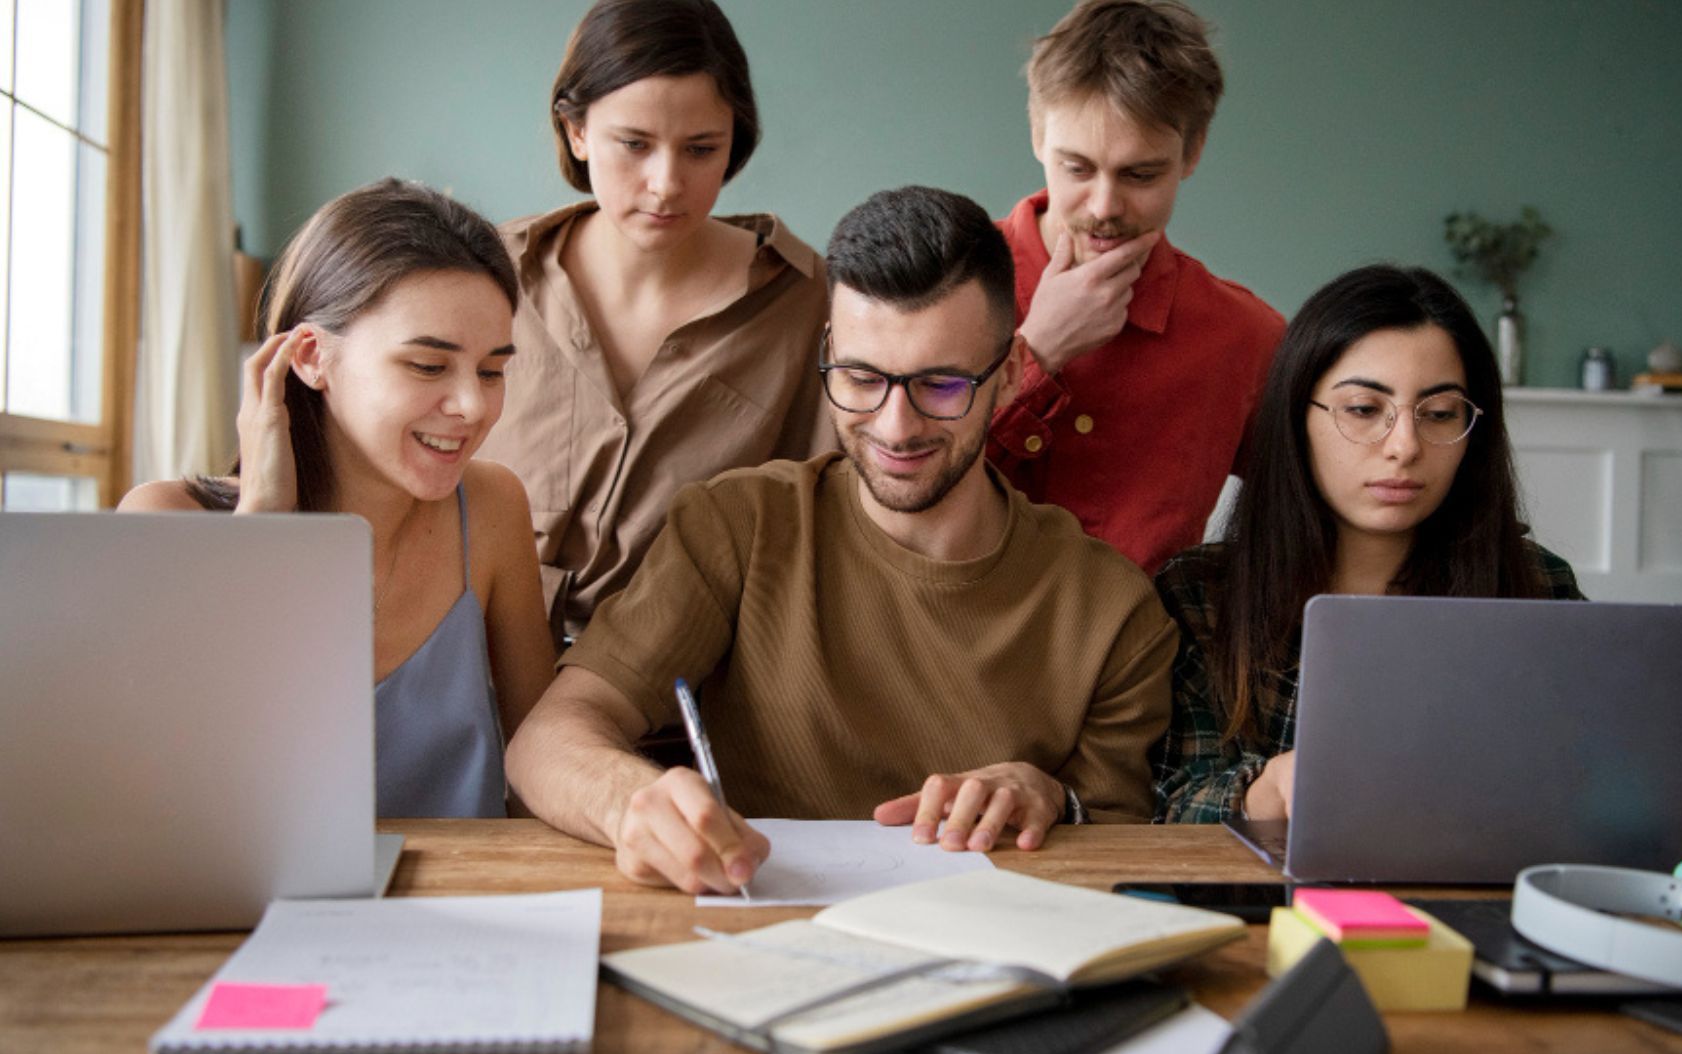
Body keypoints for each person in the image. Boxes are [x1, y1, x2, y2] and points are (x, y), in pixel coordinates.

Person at [504, 186, 1175, 895]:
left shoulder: (1113, 611)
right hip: (755, 932)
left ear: (1008, 373)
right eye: (860, 377)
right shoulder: (738, 525)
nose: (894, 426)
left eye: (941, 385)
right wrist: (630, 803)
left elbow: (1120, 849)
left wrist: (1050, 797)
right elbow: (547, 740)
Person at [119, 179, 557, 818]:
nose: (472, 406)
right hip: (247, 913)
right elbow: (165, 803)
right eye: (428, 367)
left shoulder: (491, 508)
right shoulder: (166, 523)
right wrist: (265, 525)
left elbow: (544, 758)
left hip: (463, 902)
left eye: (492, 371)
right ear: (310, 358)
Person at [1152, 264, 1584, 824]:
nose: (1403, 446)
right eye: (1363, 409)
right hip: (1269, 905)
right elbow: (1164, 809)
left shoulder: (1537, 585)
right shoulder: (1198, 594)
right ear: (1294, 416)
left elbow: (1590, 788)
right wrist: (1270, 789)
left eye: (1439, 414)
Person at [482, 0, 832, 645]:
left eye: (701, 149)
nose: (666, 183)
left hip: (679, 695)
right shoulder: (486, 275)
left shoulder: (807, 303)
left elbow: (834, 531)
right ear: (576, 131)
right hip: (466, 665)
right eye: (634, 144)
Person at [988, 0, 1286, 575]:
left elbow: (1311, 517)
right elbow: (888, 505)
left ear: (1192, 152)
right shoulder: (941, 288)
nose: (1104, 207)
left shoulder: (1247, 339)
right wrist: (1037, 353)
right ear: (1037, 136)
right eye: (1077, 168)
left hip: (1149, 662)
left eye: (1141, 175)